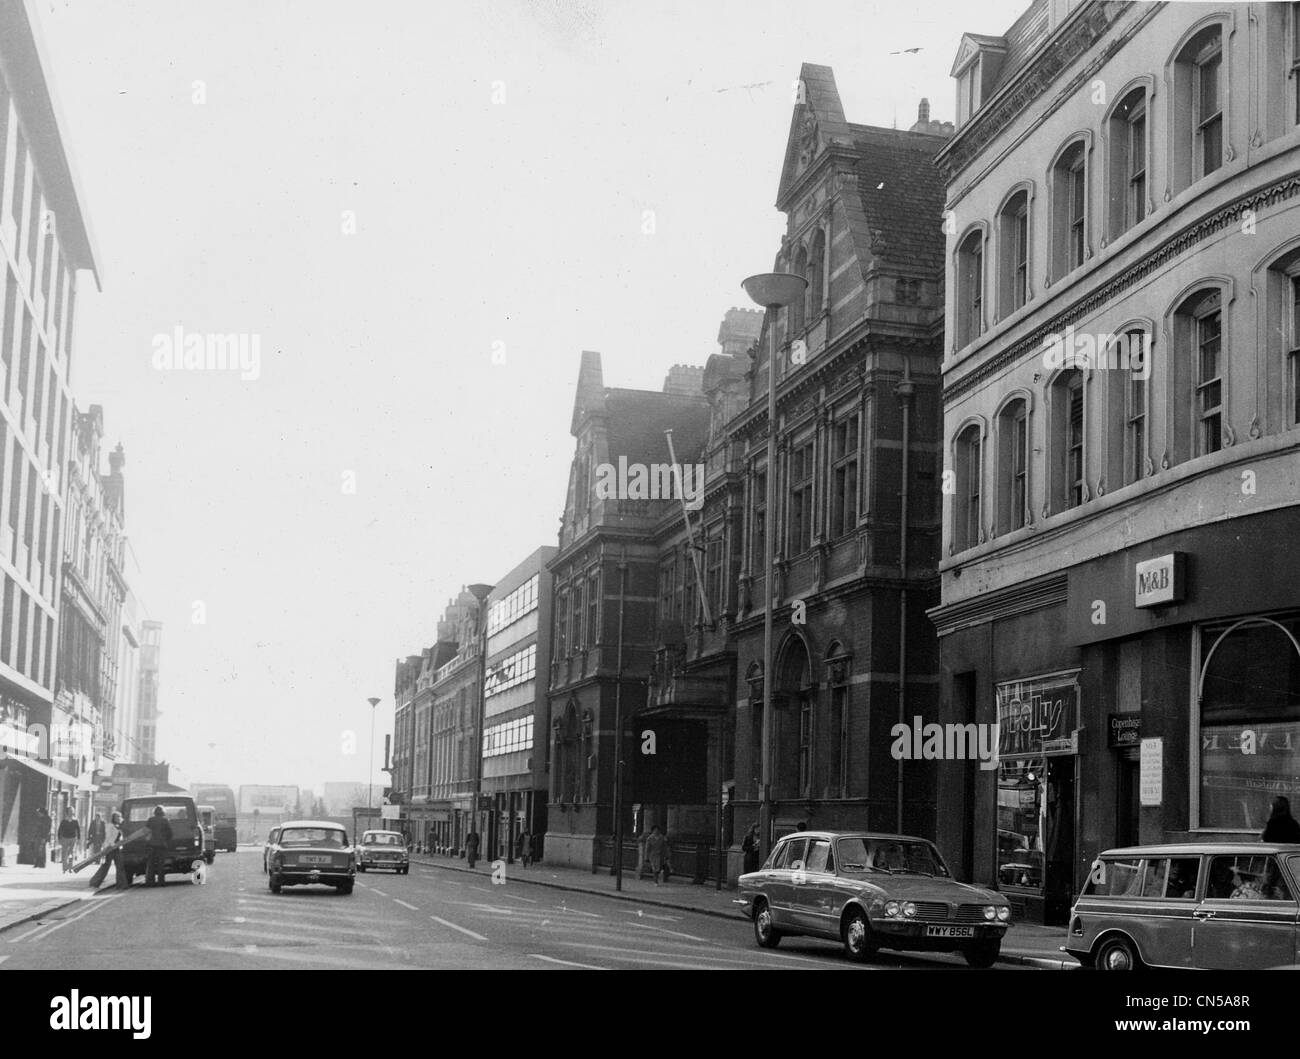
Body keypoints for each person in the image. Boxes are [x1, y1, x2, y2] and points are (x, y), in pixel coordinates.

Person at [145, 805, 173, 886]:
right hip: (161, 845)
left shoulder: (150, 820)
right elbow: (170, 833)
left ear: (154, 812)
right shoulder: (165, 820)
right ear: (163, 812)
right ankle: (161, 882)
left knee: (151, 864)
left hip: (151, 844)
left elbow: (146, 831)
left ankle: (151, 882)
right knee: (161, 864)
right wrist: (166, 841)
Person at [57, 808, 81, 873]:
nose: (71, 813)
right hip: (65, 838)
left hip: (73, 838)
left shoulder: (75, 821)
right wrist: (59, 838)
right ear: (67, 812)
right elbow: (60, 830)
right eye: (70, 811)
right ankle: (65, 868)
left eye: (72, 811)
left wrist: (78, 839)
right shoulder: (64, 821)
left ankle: (70, 867)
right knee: (64, 853)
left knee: (71, 853)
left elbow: (78, 830)